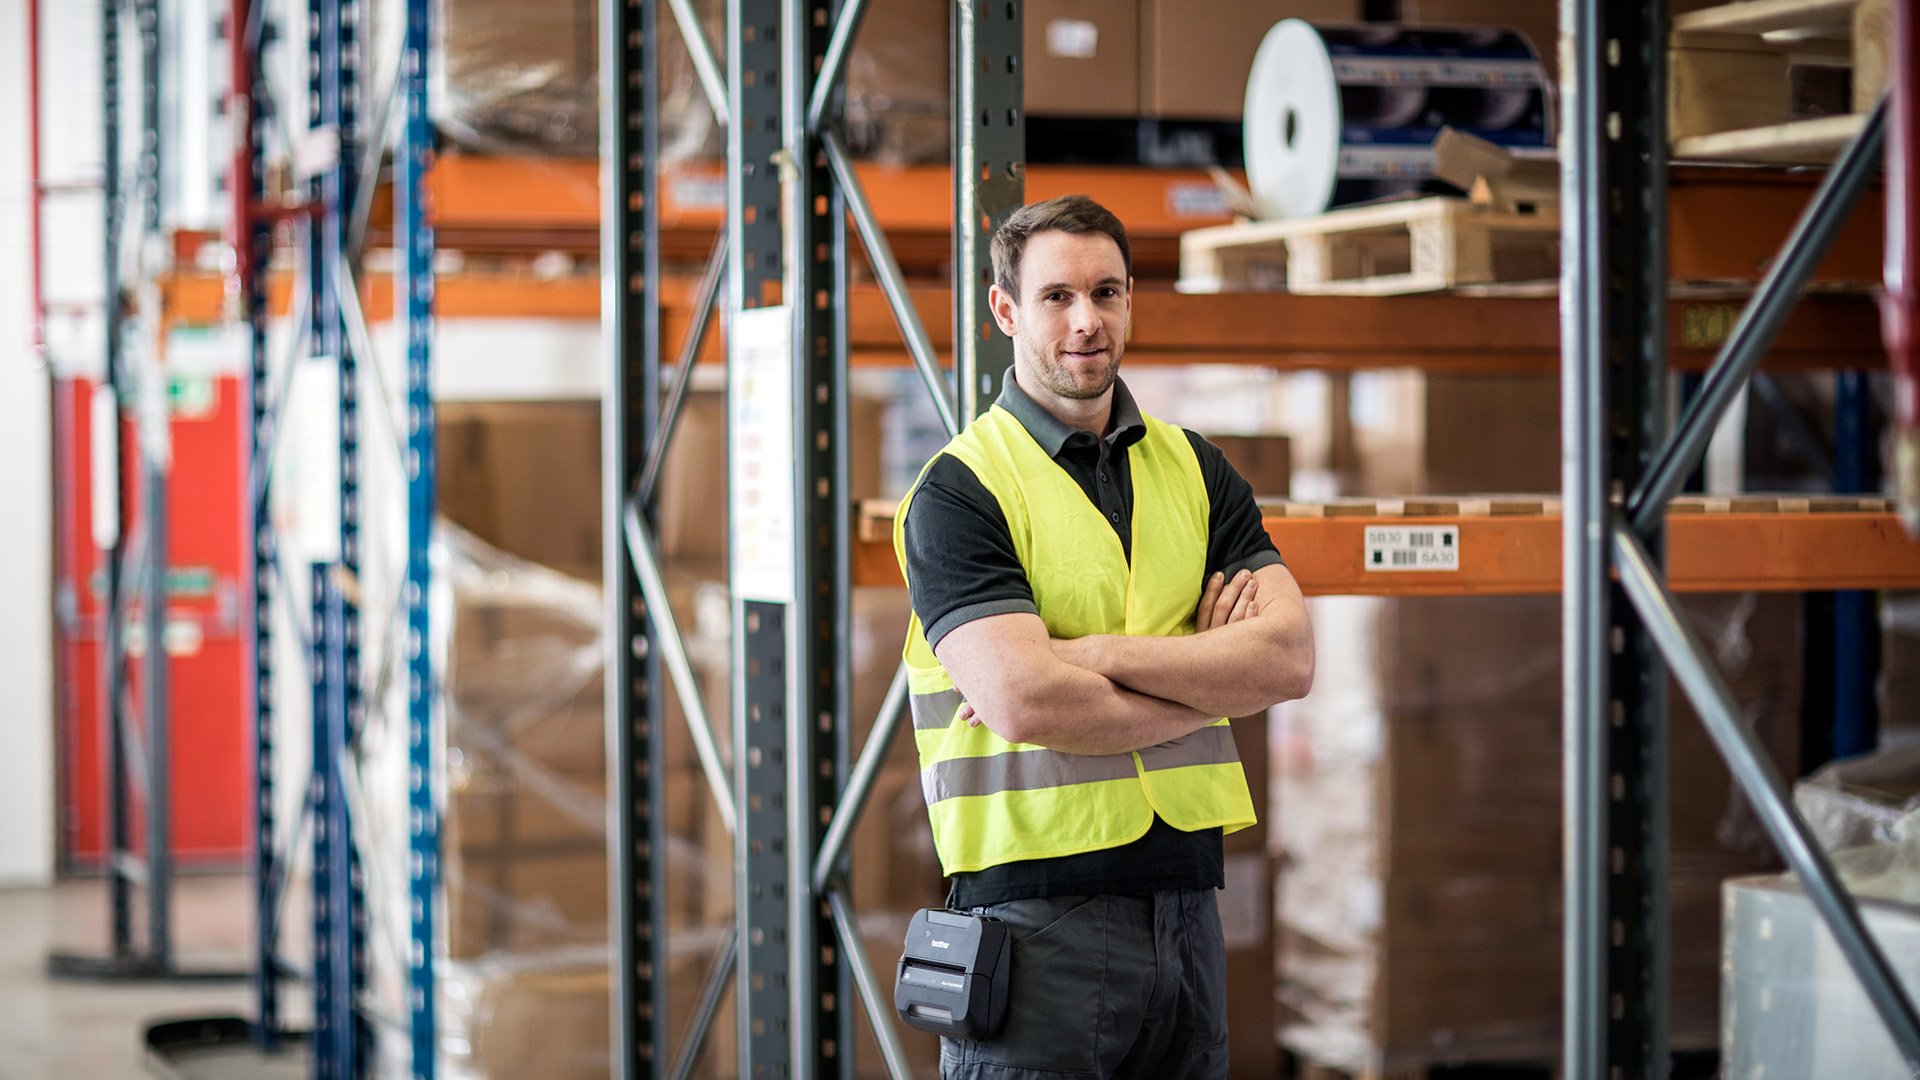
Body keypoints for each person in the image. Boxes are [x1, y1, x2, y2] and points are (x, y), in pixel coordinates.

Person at [891, 193, 1316, 1080]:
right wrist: (1206, 685)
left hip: (1188, 911)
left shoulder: (1196, 469)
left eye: (1108, 292)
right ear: (1006, 310)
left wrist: (1097, 656)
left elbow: (1287, 658)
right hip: (1037, 923)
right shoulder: (959, 492)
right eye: (1057, 297)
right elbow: (1023, 698)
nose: (1088, 321)